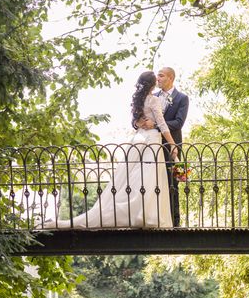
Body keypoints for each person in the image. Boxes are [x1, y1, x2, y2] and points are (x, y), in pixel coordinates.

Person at [50, 71, 178, 229]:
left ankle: (135, 213)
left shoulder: (138, 100)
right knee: (149, 179)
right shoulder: (154, 100)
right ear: (152, 85)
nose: (158, 80)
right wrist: (172, 144)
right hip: (151, 140)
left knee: (131, 178)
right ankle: (147, 216)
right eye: (156, 79)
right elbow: (162, 124)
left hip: (137, 140)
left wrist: (140, 123)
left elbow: (136, 122)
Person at [136, 67, 189, 226]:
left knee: (175, 181)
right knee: (156, 182)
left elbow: (179, 123)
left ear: (171, 78)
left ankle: (176, 223)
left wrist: (156, 126)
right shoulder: (152, 97)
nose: (157, 78)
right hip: (153, 146)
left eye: (161, 75)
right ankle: (158, 219)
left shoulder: (182, 98)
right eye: (157, 76)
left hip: (173, 146)